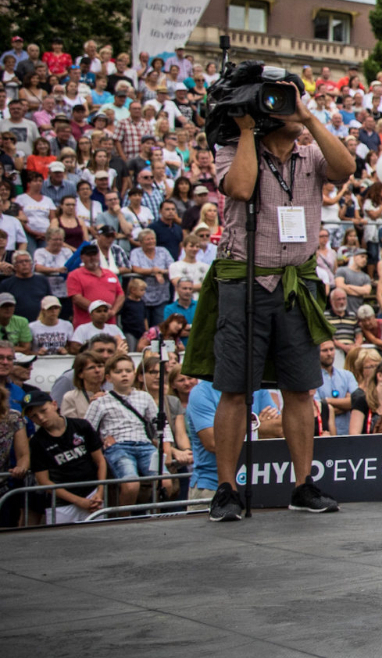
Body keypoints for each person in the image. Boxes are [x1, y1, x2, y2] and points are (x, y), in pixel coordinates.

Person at [182, 73, 355, 520]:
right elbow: (240, 188)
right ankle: (226, 489)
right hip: (246, 282)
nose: (294, 108)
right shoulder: (233, 147)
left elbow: (345, 169)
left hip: (296, 284)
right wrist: (246, 130)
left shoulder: (310, 152)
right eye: (285, 102)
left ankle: (303, 485)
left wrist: (308, 118)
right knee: (234, 389)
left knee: (301, 389)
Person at [87, 355, 159, 508]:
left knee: (165, 482)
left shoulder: (145, 397)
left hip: (145, 445)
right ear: (108, 377)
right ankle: (125, 518)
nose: (124, 375)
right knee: (131, 485)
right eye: (118, 372)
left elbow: (160, 425)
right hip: (118, 447)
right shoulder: (100, 401)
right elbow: (87, 431)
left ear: (134, 374)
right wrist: (101, 442)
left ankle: (156, 515)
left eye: (128, 371)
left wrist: (166, 446)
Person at [26, 389, 105, 524]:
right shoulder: (37, 442)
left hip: (92, 494)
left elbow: (100, 461)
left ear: (54, 405)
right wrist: (78, 501)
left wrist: (100, 491)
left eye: (43, 411)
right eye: (34, 416)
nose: (41, 418)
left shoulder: (81, 425)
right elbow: (43, 480)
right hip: (61, 502)